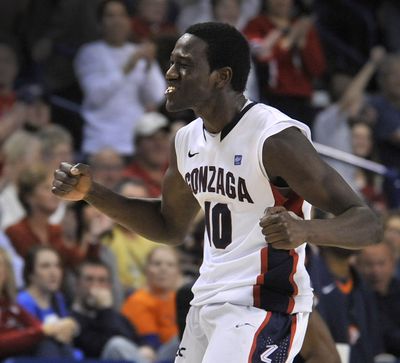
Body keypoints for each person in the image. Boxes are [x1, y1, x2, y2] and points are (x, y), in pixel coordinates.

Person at [52, 22, 381, 363]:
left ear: (220, 77)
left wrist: (305, 230)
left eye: (184, 65)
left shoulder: (275, 139)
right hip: (207, 302)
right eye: (171, 63)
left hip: (262, 305)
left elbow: (368, 224)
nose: (170, 73)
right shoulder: (185, 141)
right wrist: (92, 193)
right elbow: (169, 226)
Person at [71, 259, 153, 362]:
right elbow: (96, 349)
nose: (95, 285)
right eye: (89, 279)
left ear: (109, 286)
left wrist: (145, 347)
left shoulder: (116, 316)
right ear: (77, 284)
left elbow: (134, 339)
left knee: (177, 342)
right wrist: (105, 309)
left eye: (101, 280)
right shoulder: (72, 319)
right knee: (116, 344)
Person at [122, 246, 181, 363]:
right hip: (152, 355)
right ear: (146, 269)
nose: (163, 269)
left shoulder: (181, 299)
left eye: (170, 265)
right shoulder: (138, 300)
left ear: (178, 272)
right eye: (157, 264)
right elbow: (150, 343)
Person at [357, 241, 400, 358]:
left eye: (381, 264)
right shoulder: (354, 299)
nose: (375, 271)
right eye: (369, 264)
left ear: (393, 264)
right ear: (358, 265)